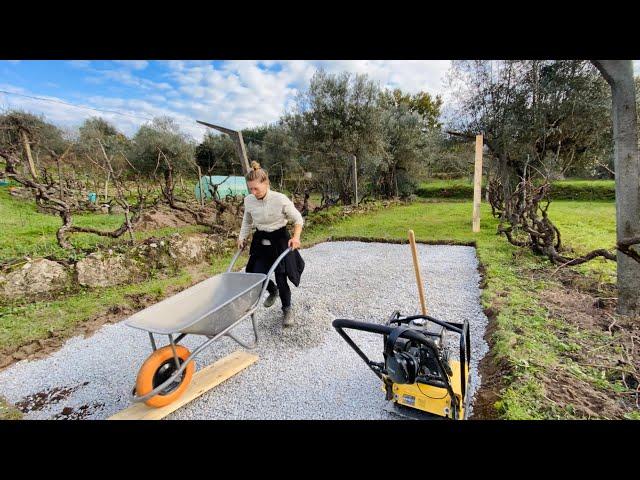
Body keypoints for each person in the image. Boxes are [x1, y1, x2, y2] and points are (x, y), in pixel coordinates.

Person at [237, 161, 305, 327]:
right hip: (261, 239)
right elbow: (247, 222)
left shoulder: (280, 199)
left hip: (280, 239)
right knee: (256, 275)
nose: (253, 192)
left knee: (282, 277)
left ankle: (287, 309)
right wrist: (242, 237)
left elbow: (298, 219)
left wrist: (296, 238)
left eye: (256, 188)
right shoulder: (249, 200)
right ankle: (272, 290)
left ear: (266, 183)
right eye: (250, 189)